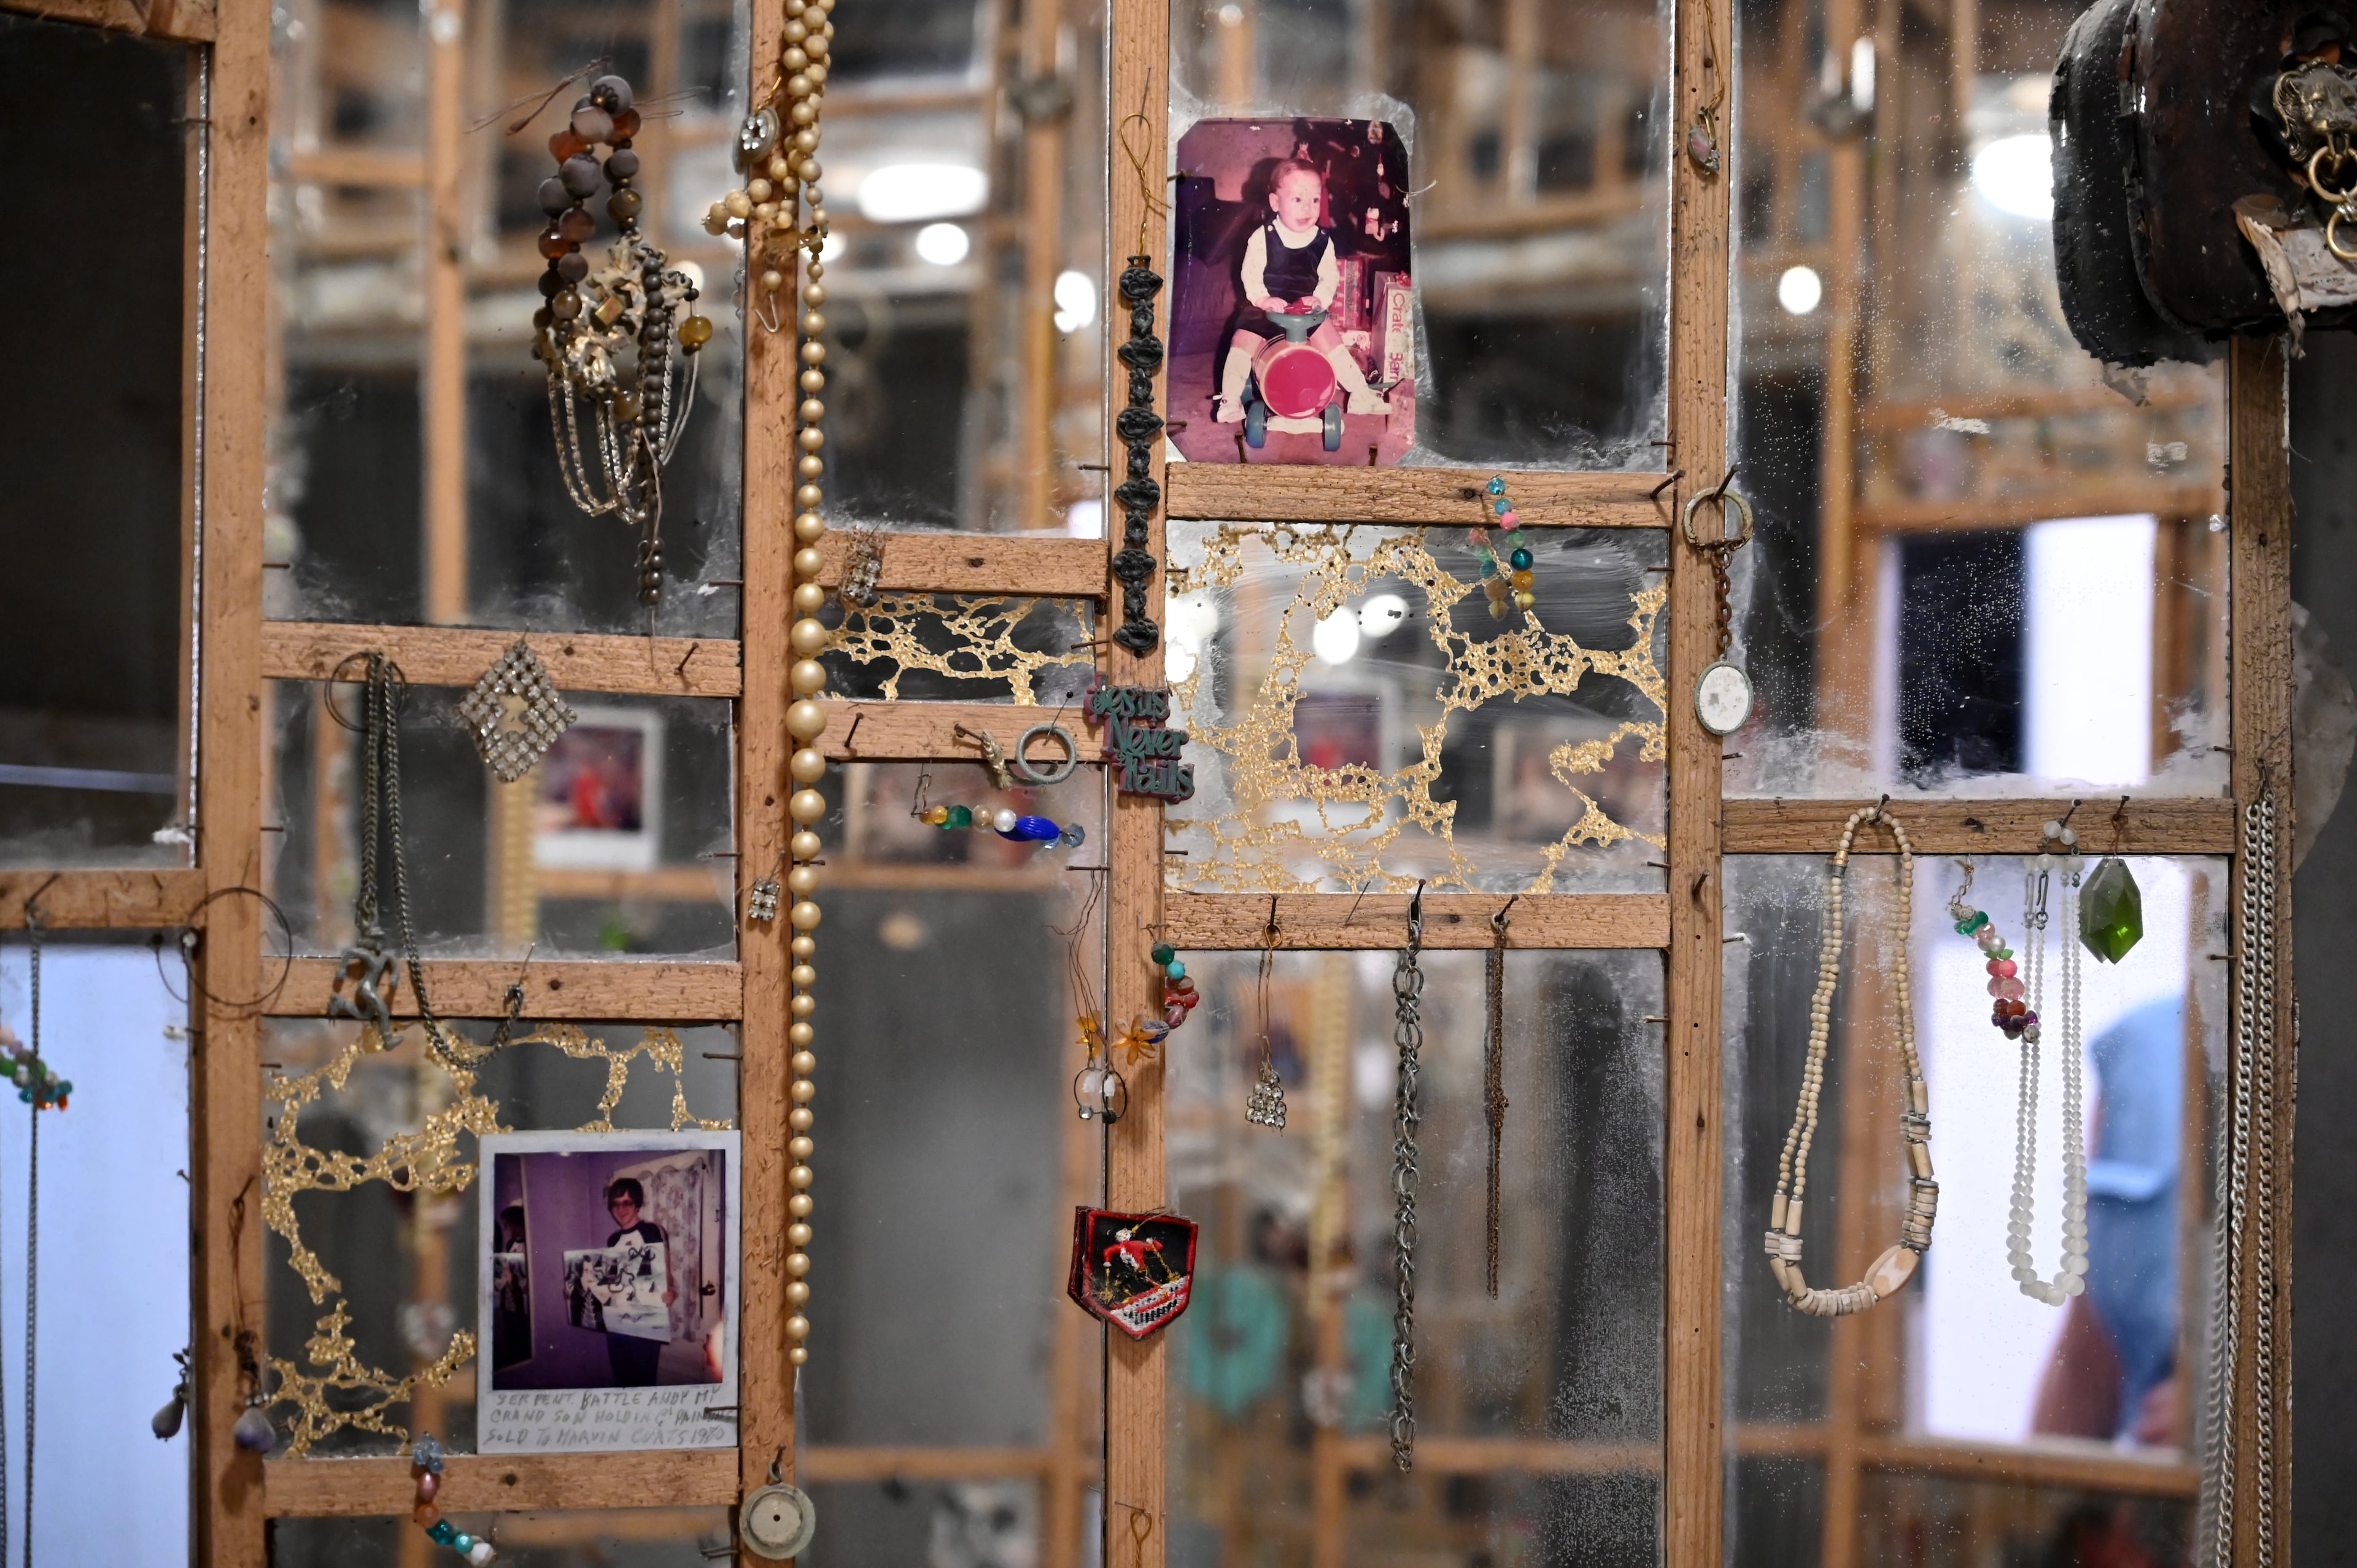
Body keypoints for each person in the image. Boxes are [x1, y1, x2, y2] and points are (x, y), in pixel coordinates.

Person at [1213, 158, 1390, 423]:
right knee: (1241, 343)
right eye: (1298, 199)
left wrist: (1320, 297)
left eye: (1315, 200)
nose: (1308, 207)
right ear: (1275, 203)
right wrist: (1262, 298)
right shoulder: (1263, 236)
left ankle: (1360, 394)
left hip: (1306, 312)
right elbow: (1249, 272)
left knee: (1334, 343)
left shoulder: (1322, 240)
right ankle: (1230, 399)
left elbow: (1330, 276)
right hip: (1264, 312)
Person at [602, 1176, 676, 1388]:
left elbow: (668, 1277)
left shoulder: (652, 1231)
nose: (621, 1209)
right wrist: (578, 1289)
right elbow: (609, 1281)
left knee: (643, 1382)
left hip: (645, 1323)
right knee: (622, 1380)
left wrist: (671, 1292)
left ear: (638, 1204)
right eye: (616, 1204)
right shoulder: (612, 1240)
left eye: (627, 1202)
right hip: (617, 1324)